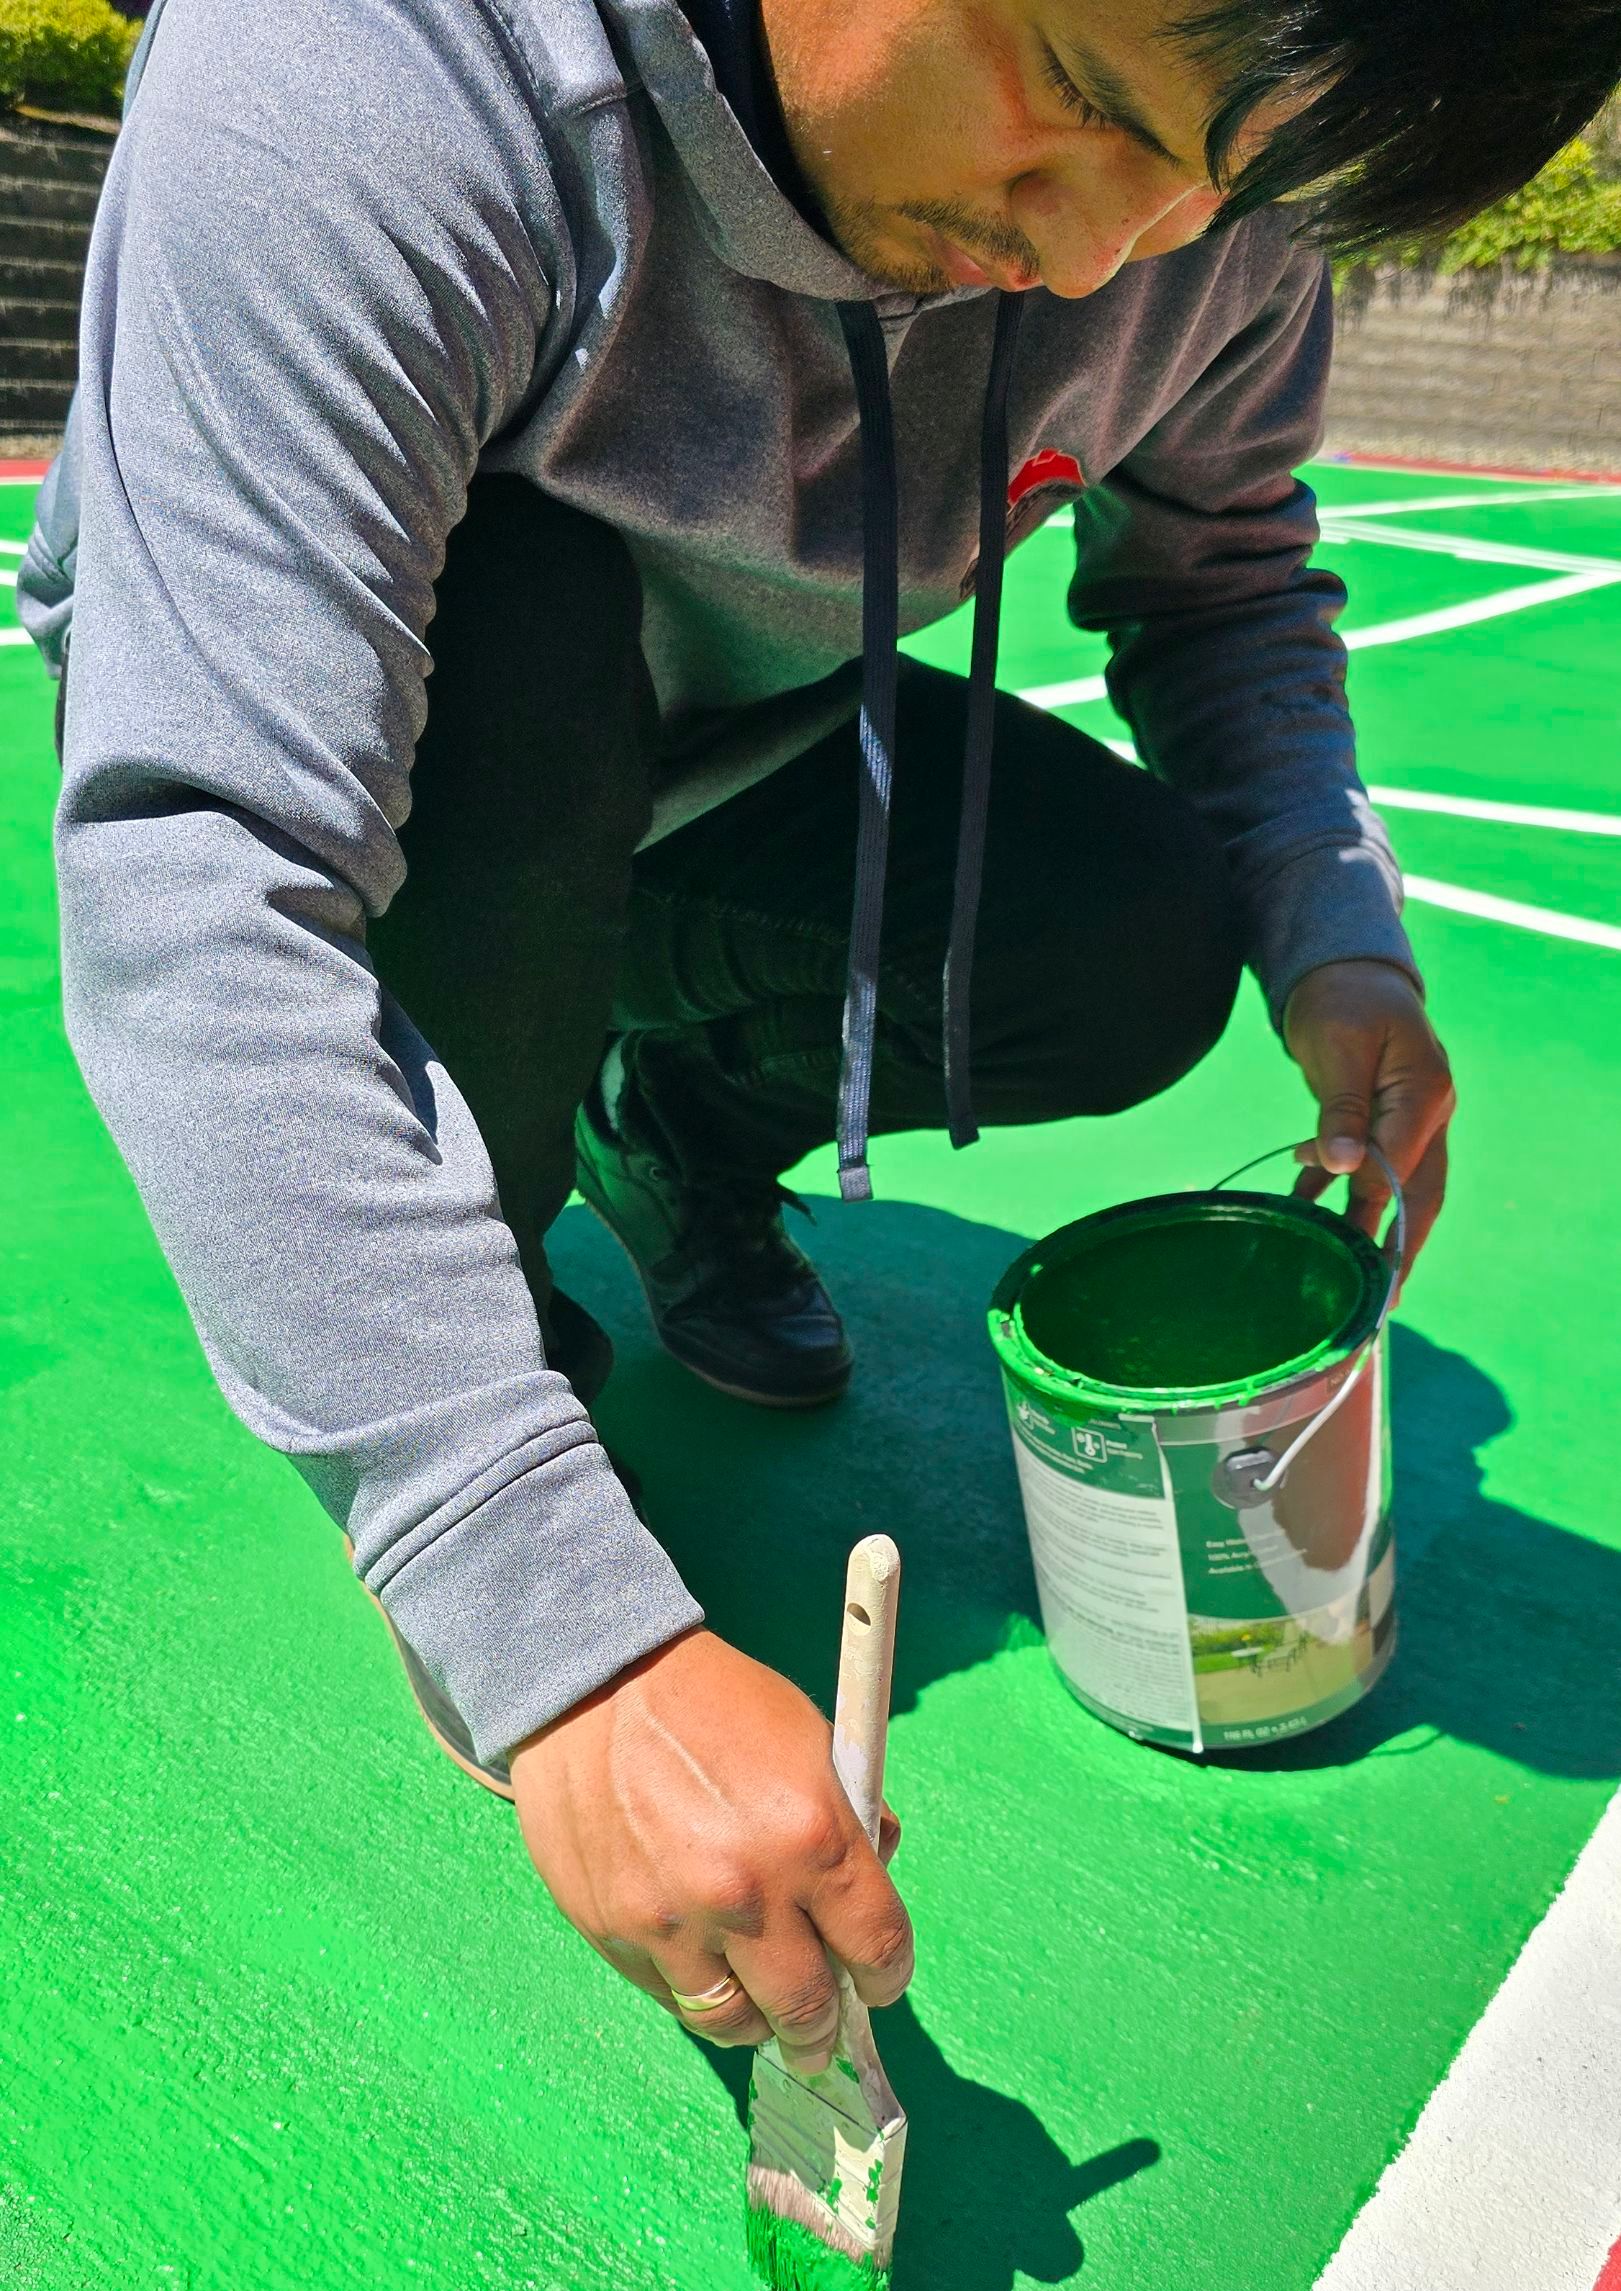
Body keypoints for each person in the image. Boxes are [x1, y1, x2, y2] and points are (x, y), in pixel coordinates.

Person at [22, 0, 1618, 2072]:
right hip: (441, 766)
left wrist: (1340, 947)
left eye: (1205, 189)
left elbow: (1220, 593)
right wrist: (548, 1615)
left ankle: (661, 1114)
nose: (1096, 258)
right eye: (1077, 112)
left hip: (753, 772)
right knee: (519, 658)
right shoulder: (367, 66)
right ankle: (486, 1281)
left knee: (1140, 932)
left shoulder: (1205, 162)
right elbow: (203, 860)